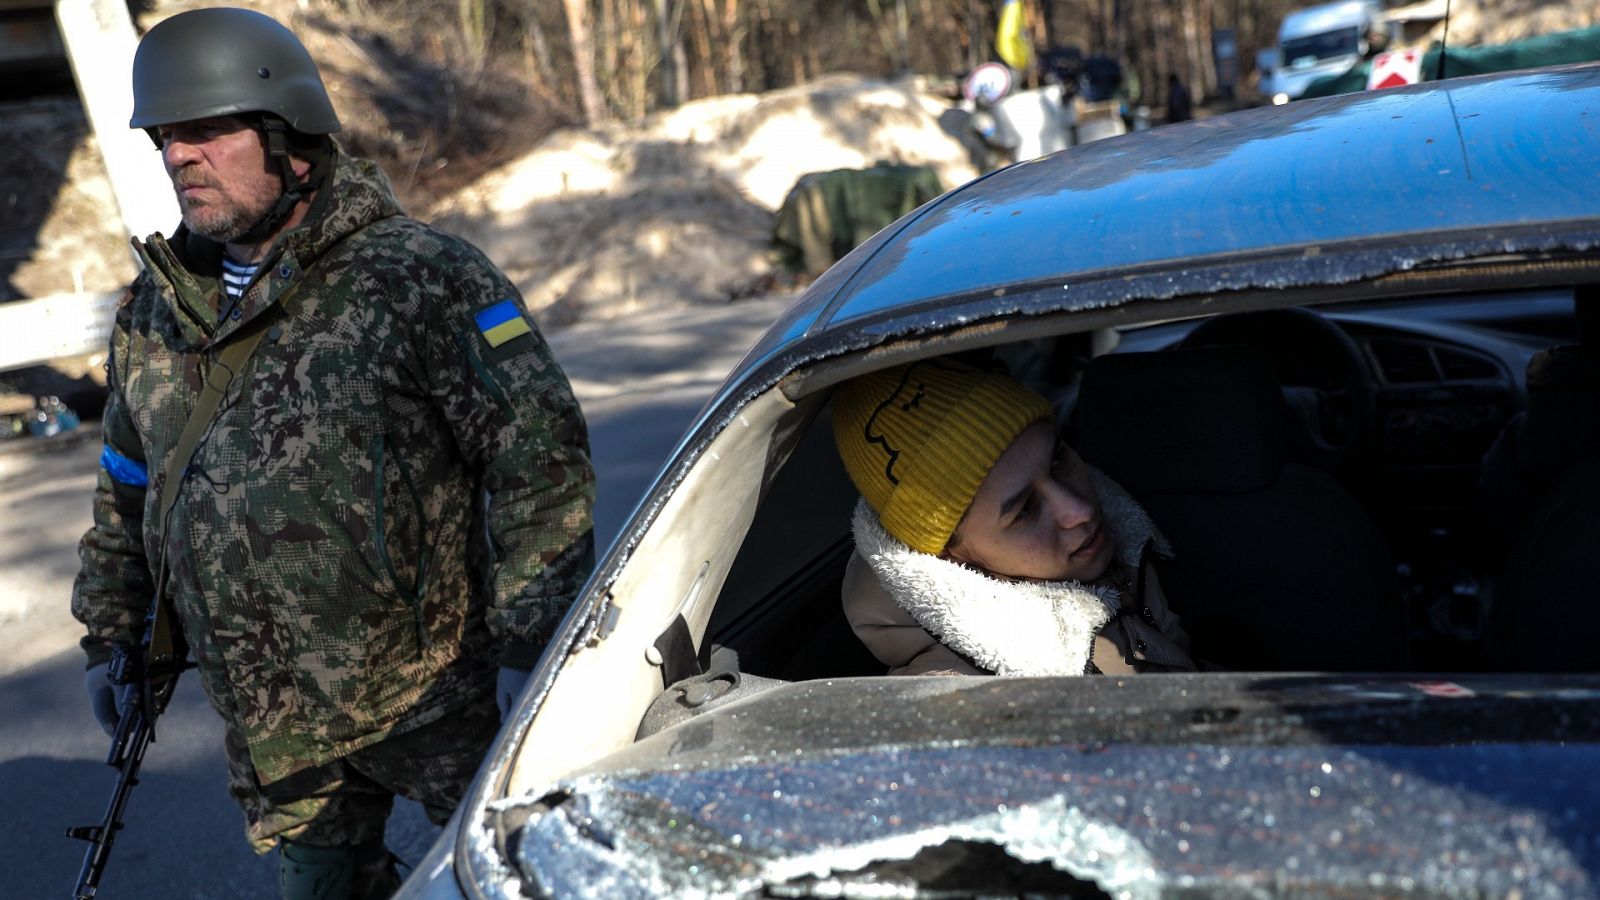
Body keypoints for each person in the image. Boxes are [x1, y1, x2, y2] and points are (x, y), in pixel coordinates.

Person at [72, 8, 595, 899]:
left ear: (291, 139)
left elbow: (537, 465)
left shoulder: (416, 276)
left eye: (206, 130)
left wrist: (532, 645)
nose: (178, 157)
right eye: (165, 137)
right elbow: (131, 486)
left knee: (517, 881)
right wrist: (114, 636)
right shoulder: (156, 310)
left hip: (439, 701)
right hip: (275, 728)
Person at [831, 357, 1198, 677]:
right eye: (1024, 510)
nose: (1080, 511)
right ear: (949, 554)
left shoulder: (1123, 555)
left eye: (1058, 459)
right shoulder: (968, 708)